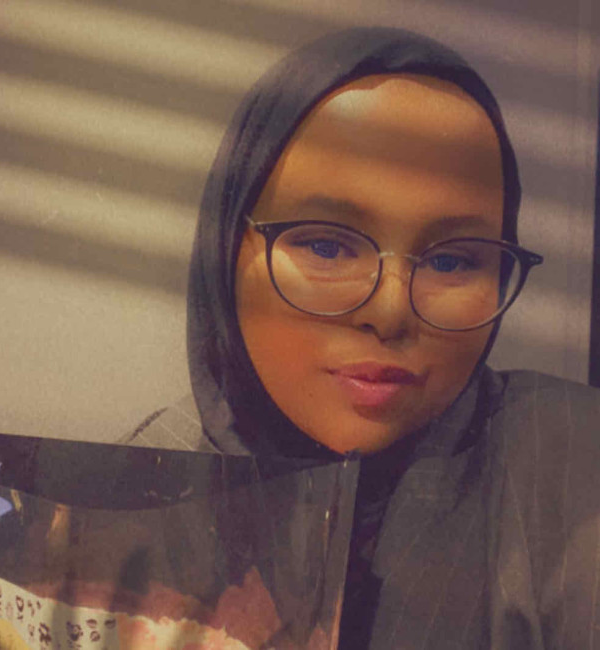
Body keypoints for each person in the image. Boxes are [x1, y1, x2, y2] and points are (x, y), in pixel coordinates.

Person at [127, 27, 600, 649]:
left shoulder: (572, 469)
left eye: (454, 260)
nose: (390, 311)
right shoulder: (126, 504)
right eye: (327, 245)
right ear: (226, 248)